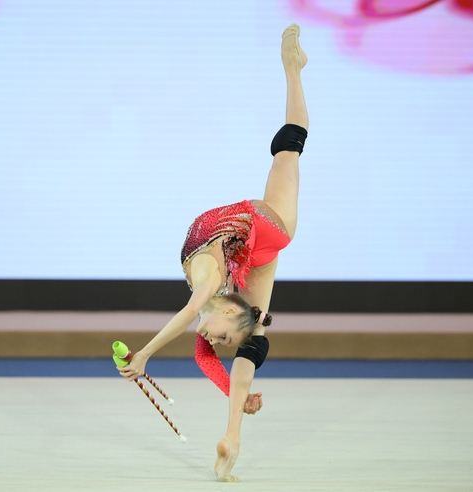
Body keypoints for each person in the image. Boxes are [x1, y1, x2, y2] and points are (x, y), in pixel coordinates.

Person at [118, 23, 309, 482]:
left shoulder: (220, 298)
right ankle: (293, 69)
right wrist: (145, 355)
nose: (214, 342)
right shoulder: (209, 286)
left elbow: (201, 343)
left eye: (220, 339)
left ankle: (233, 438)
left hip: (248, 243)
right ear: (225, 308)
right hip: (266, 231)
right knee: (288, 153)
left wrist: (147, 356)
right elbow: (194, 326)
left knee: (288, 152)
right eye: (224, 336)